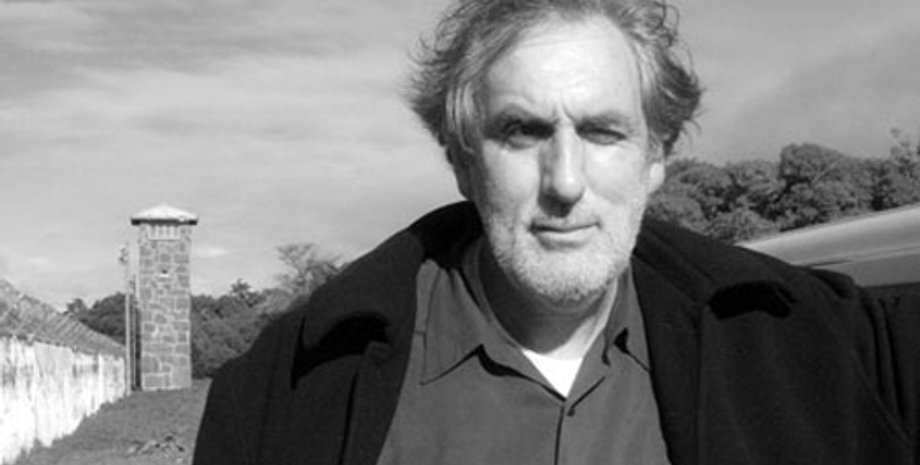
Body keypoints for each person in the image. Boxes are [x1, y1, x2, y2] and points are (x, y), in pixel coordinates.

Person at [193, 0, 920, 464]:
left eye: (603, 132)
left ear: (656, 157)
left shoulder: (824, 350)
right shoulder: (285, 393)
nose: (565, 181)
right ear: (462, 159)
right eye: (523, 131)